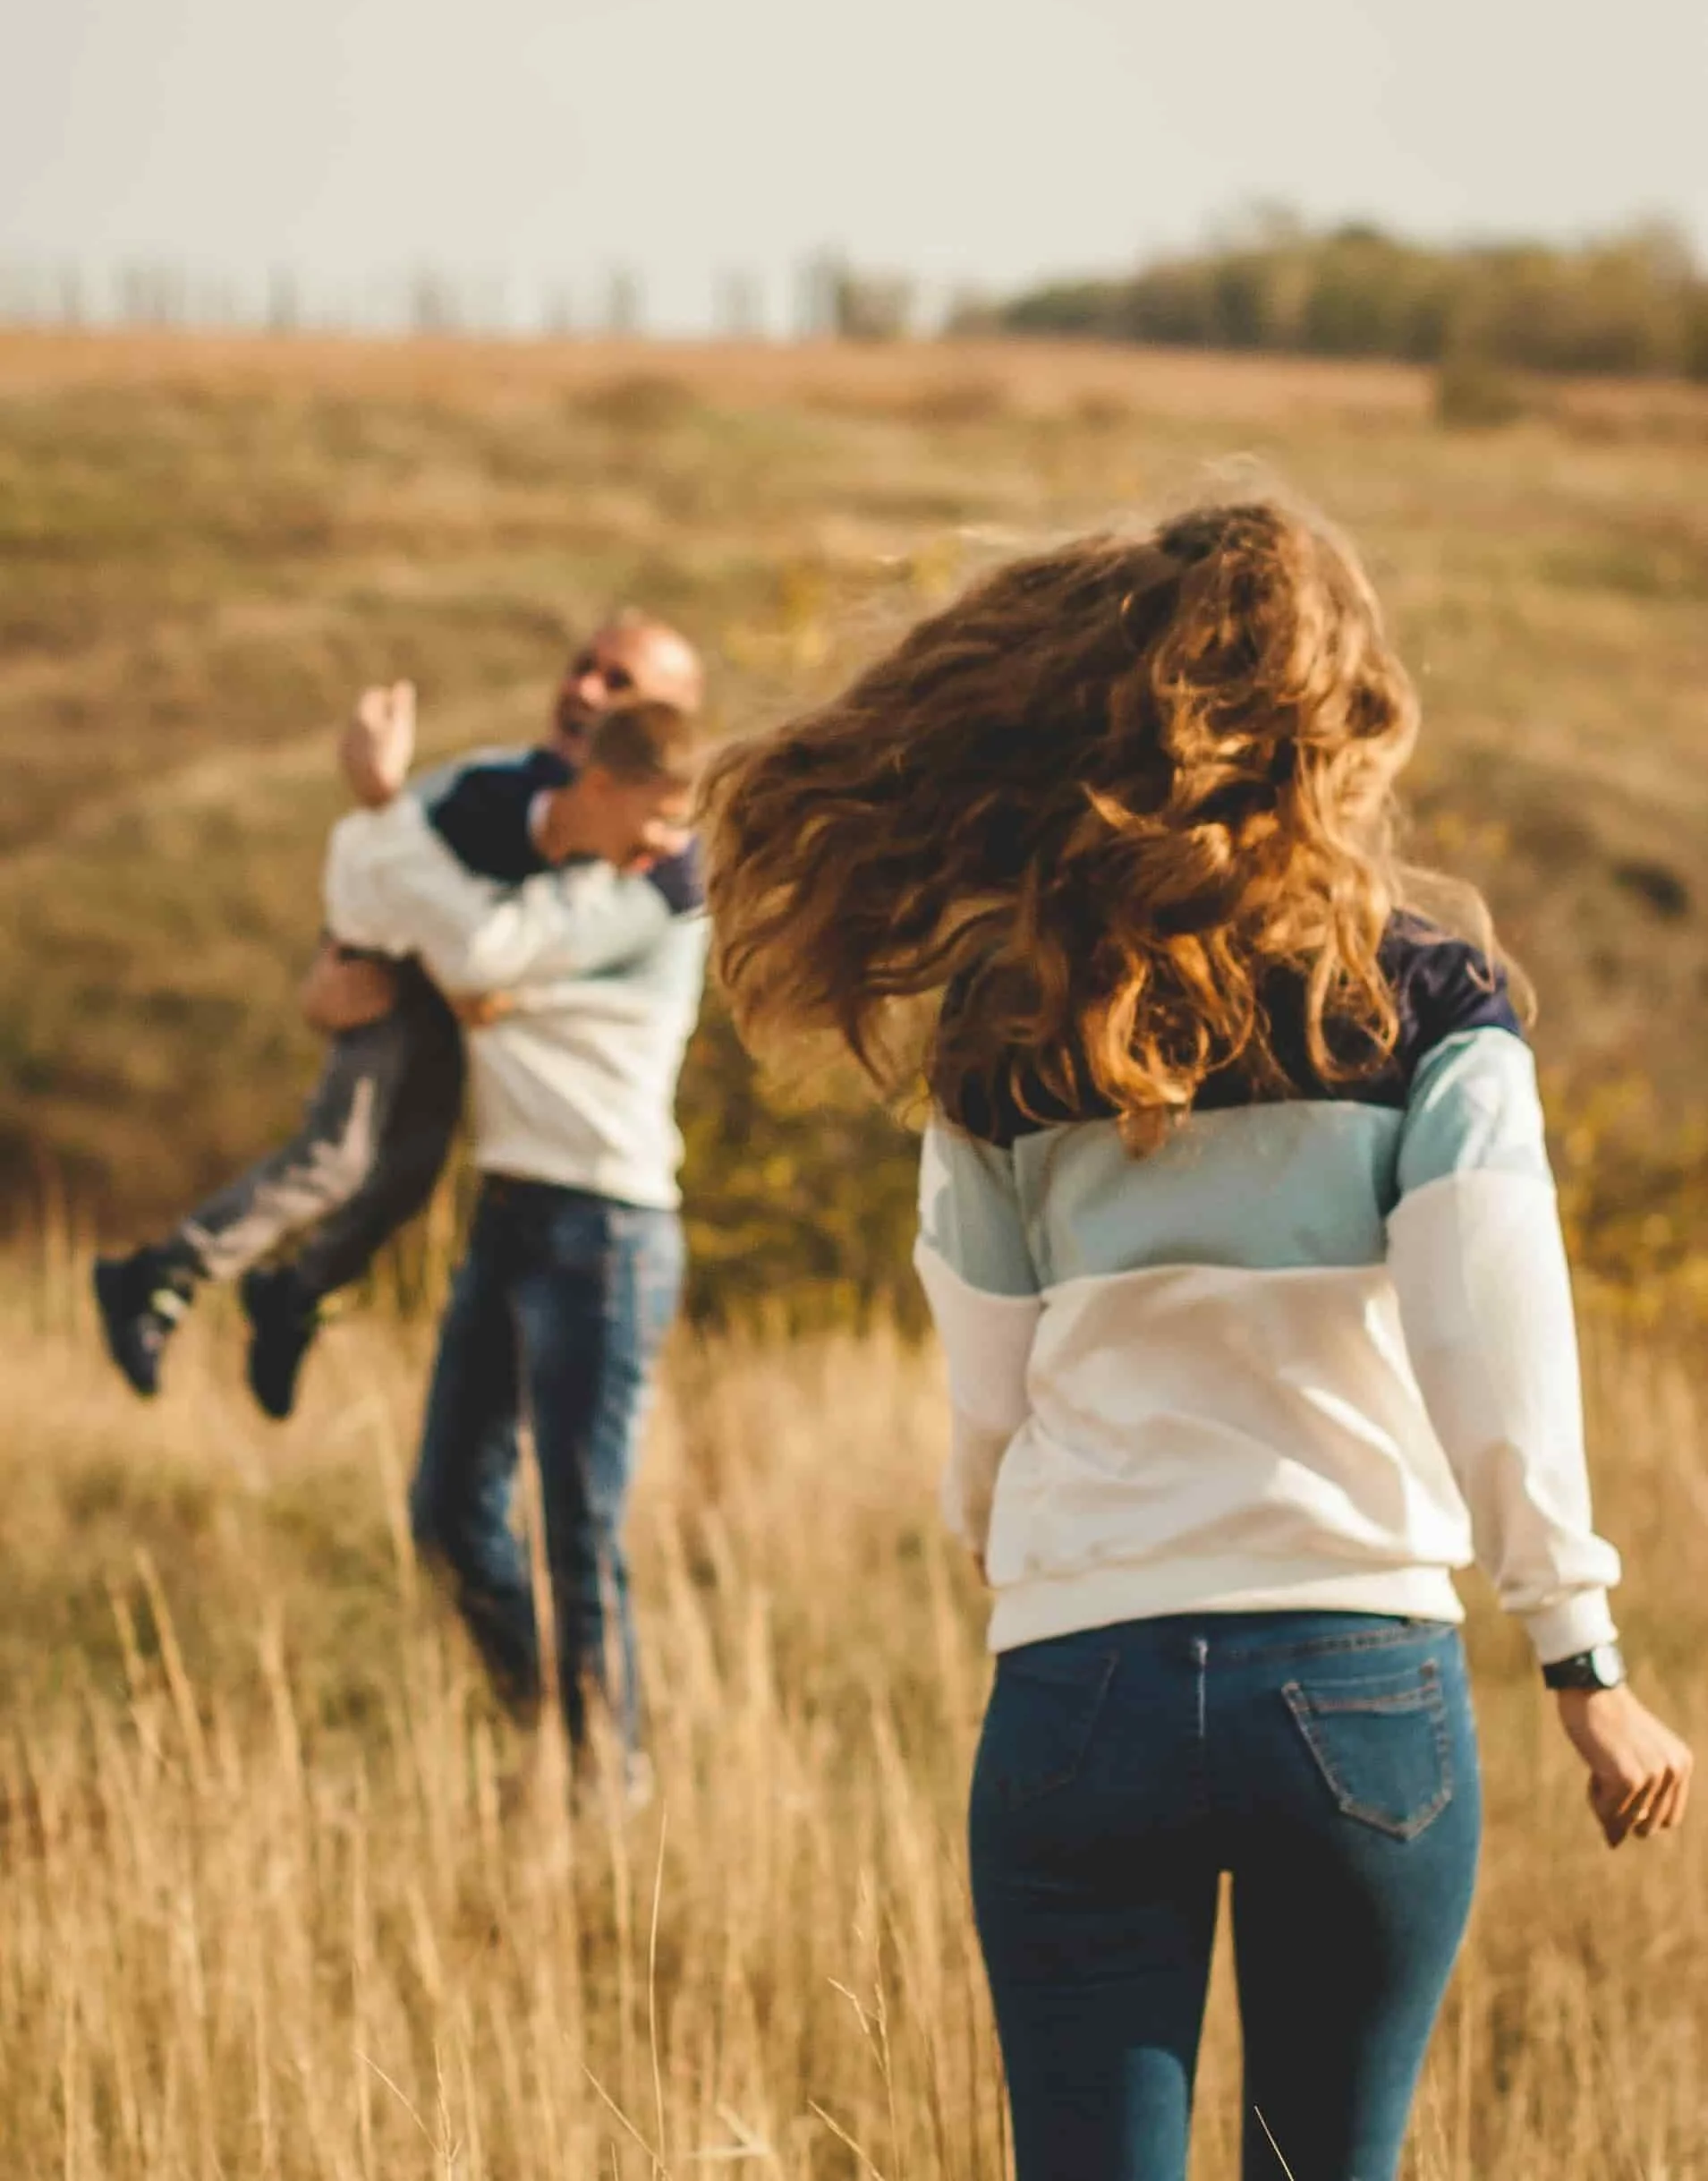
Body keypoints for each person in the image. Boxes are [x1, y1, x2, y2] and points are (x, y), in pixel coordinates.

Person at [700, 501, 1692, 2181]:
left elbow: (988, 1397)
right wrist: (1577, 1657)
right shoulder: (1428, 1006)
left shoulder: (1009, 1027)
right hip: (1355, 1678)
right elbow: (1492, 1332)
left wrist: (1018, 1559)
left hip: (1084, 1678)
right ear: (1341, 725)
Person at [93, 610, 702, 1418]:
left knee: (404, 1179)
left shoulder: (662, 868)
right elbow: (376, 853)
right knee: (340, 1158)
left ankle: (292, 1297)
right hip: (402, 1003)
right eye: (580, 666)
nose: (583, 688)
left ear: (667, 723)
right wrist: (334, 957)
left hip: (573, 1156)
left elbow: (508, 953)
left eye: (616, 681)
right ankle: (160, 1281)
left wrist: (470, 975)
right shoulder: (487, 785)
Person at [319, 665, 710, 1785]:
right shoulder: (564, 881)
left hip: (609, 1229)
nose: (672, 837)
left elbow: (475, 950)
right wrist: (383, 829)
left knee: (579, 1526)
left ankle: (610, 1776)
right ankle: (551, 1723)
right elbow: (376, 907)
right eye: (660, 810)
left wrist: (391, 816)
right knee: (447, 1508)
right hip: (513, 1214)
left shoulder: (658, 891)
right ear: (603, 782)